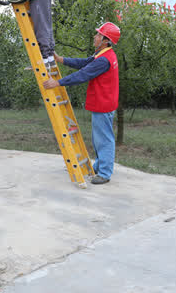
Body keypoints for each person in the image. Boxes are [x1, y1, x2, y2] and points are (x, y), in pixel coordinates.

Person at [42, 22, 120, 185]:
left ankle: (105, 173)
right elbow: (84, 63)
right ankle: (100, 166)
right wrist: (61, 59)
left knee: (104, 139)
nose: (95, 37)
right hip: (105, 102)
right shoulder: (104, 54)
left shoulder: (103, 60)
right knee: (100, 138)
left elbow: (83, 74)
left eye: (98, 35)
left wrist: (58, 83)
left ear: (106, 40)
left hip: (103, 104)